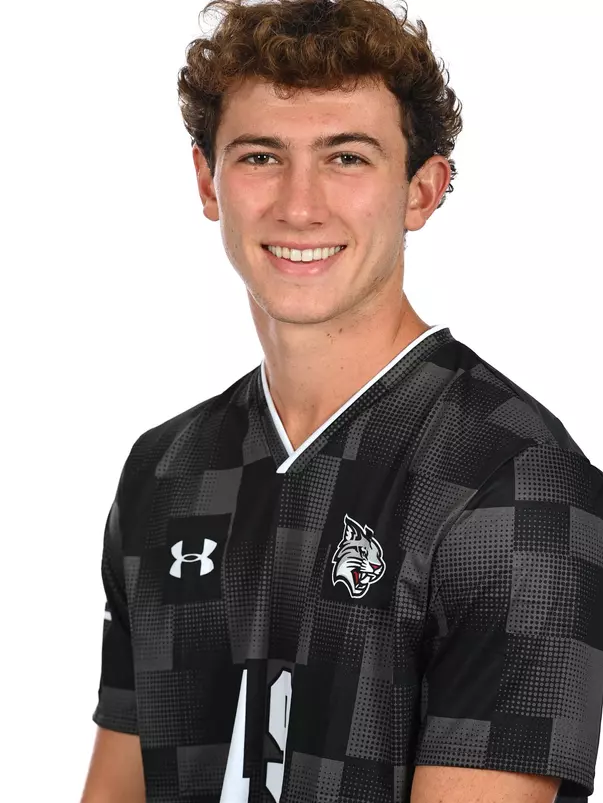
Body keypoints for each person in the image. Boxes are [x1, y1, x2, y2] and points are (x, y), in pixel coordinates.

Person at [80, 1, 603, 801]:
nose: (299, 205)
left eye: (347, 158)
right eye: (260, 156)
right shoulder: (165, 470)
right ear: (206, 181)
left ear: (422, 191)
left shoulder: (516, 482)